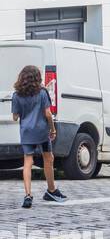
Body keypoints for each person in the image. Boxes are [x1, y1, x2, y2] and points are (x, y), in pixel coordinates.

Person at [10, 65, 65, 208]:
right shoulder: (42, 92)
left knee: (28, 162)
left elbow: (15, 117)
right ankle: (51, 190)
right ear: (37, 77)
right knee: (49, 158)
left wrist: (21, 110)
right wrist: (53, 129)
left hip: (26, 132)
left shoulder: (16, 95)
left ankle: (28, 195)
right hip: (42, 132)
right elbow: (48, 114)